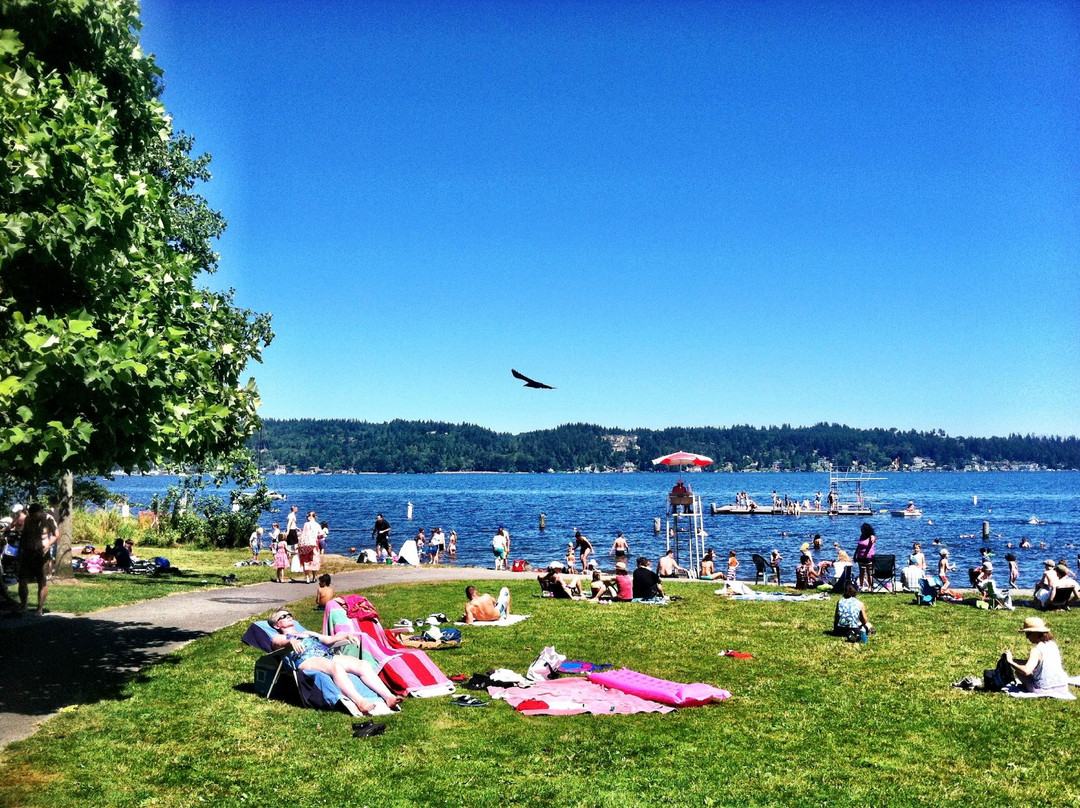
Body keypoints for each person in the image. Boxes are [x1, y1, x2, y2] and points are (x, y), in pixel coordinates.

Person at [265, 608, 402, 714]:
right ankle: (360, 701)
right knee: (335, 667)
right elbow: (278, 642)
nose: (288, 617)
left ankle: (389, 697)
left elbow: (329, 640)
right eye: (283, 616)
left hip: (326, 655)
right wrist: (290, 642)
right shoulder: (278, 636)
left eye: (289, 615)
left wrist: (346, 636)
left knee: (362, 664)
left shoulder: (308, 633)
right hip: (306, 659)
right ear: (277, 625)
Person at [1002, 617, 1075, 699]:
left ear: (1036, 633)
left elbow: (1026, 671)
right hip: (1061, 686)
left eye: (1028, 634)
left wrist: (1010, 661)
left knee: (1019, 672)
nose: (1027, 637)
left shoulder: (1036, 650)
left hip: (1043, 688)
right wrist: (1015, 660)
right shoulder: (1052, 644)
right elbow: (1038, 662)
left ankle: (1028, 686)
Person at [17, 504, 58, 615]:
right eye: (32, 515)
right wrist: (20, 551)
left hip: (42, 554)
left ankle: (39, 609)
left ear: (41, 512)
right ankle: (24, 606)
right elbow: (24, 535)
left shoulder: (48, 518)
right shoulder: (28, 519)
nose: (34, 518)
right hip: (28, 553)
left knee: (42, 581)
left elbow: (56, 534)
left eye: (36, 515)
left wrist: (48, 544)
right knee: (22, 580)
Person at [298, 511, 320, 584]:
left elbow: (303, 534)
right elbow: (321, 534)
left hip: (306, 544)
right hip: (315, 544)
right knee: (314, 560)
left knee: (306, 561)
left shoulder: (306, 524)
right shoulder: (317, 525)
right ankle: (314, 577)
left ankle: (307, 577)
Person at [853, 523, 876, 591]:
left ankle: (870, 586)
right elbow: (858, 546)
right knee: (861, 572)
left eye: (862, 530)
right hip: (860, 557)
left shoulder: (871, 536)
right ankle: (861, 585)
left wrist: (872, 536)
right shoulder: (862, 536)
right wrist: (855, 555)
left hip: (869, 557)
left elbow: (873, 539)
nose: (861, 531)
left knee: (869, 572)